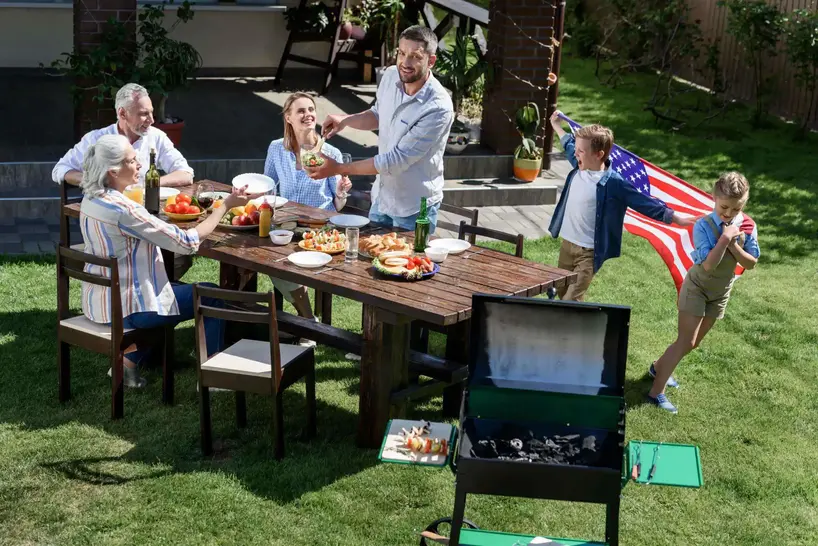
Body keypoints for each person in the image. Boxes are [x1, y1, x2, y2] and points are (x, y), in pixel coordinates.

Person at [78, 134, 254, 387]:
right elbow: (186, 242)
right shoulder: (124, 210)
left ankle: (127, 366)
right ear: (113, 172)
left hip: (100, 301)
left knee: (170, 289)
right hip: (130, 309)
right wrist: (225, 206)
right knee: (212, 294)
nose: (139, 163)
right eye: (131, 160)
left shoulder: (90, 199)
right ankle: (214, 375)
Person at [304, 25, 453, 234]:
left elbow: (395, 161)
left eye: (415, 56)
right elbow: (378, 115)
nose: (405, 63)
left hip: (414, 210)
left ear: (431, 61)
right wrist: (345, 120)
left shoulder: (438, 107)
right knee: (368, 260)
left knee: (404, 265)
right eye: (402, 53)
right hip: (381, 199)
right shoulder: (392, 76)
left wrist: (338, 168)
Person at [548, 111, 696, 301]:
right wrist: (557, 126)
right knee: (562, 294)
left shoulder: (614, 183)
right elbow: (568, 144)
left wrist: (676, 218)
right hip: (567, 246)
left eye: (581, 151)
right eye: (576, 149)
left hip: (589, 254)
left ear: (599, 154)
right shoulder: (579, 165)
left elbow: (644, 202)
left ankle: (568, 326)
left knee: (569, 301)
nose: (575, 153)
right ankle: (579, 326)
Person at [648, 172, 759, 413]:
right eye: (724, 207)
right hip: (697, 287)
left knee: (694, 343)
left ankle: (658, 367)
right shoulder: (703, 225)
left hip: (720, 292)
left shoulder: (748, 226)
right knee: (685, 340)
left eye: (736, 208)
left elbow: (750, 263)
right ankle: (656, 391)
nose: (729, 214)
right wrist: (724, 239)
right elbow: (708, 264)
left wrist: (734, 245)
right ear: (714, 198)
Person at [263, 92, 352, 342]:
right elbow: (269, 186)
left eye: (311, 109)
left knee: (284, 262)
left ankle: (306, 323)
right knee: (264, 260)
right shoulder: (276, 148)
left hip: (319, 229)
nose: (308, 114)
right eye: (300, 111)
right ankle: (306, 320)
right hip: (285, 224)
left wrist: (342, 191)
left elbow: (338, 204)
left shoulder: (330, 151)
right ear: (288, 117)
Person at [53, 83, 194, 188]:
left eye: (151, 112)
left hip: (144, 210)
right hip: (107, 213)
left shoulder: (156, 137)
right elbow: (61, 169)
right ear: (122, 113)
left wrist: (147, 184)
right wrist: (96, 181)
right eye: (144, 114)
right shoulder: (96, 139)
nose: (152, 120)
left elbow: (186, 174)